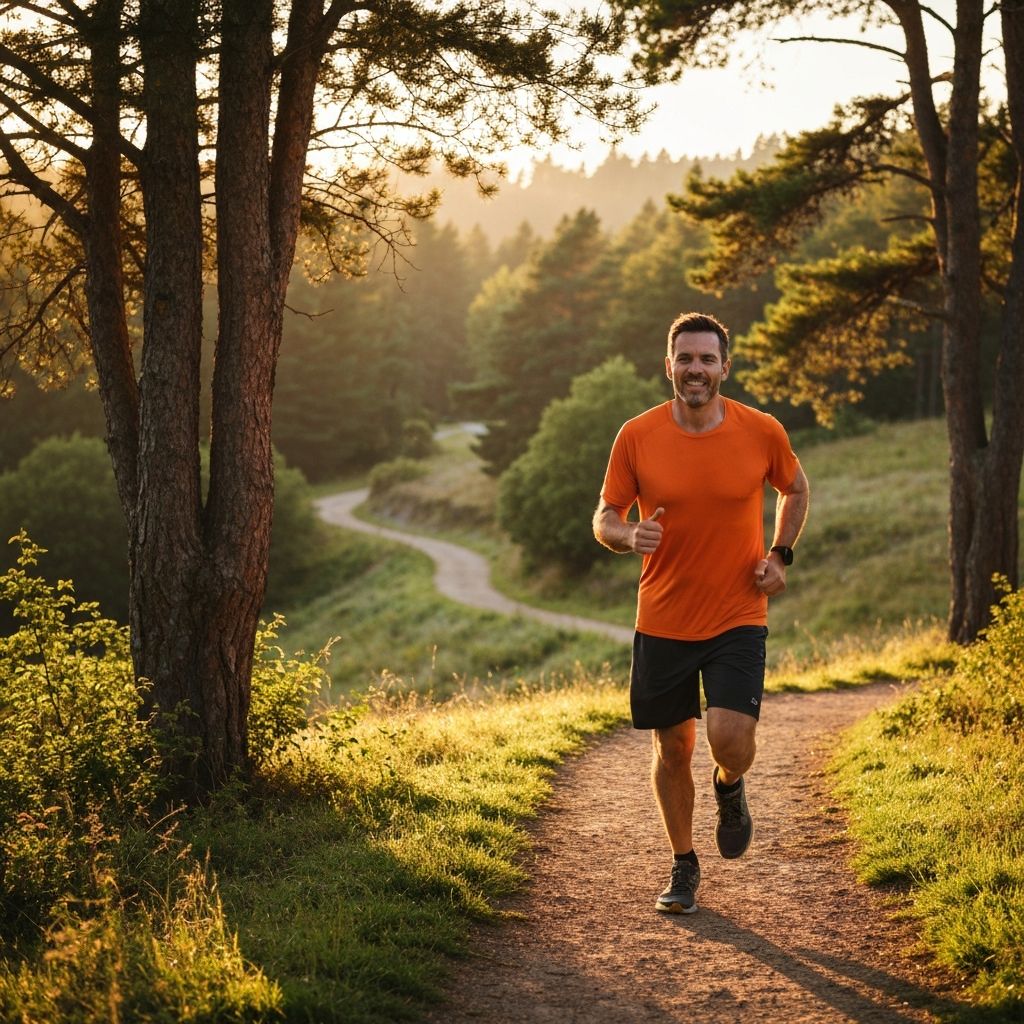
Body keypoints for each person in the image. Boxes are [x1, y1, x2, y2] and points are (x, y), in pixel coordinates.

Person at [592, 311, 809, 914]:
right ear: (669, 366)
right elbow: (605, 515)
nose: (696, 369)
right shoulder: (636, 436)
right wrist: (626, 534)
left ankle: (731, 785)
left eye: (707, 359)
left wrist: (780, 554)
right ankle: (683, 865)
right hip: (663, 618)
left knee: (729, 738)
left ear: (724, 368)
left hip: (740, 612)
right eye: (685, 359)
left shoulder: (760, 430)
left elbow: (795, 487)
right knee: (673, 748)